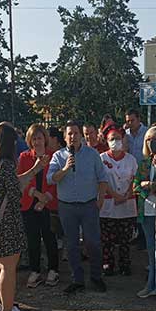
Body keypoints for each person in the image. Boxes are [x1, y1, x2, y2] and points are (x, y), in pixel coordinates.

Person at [0, 122, 43, 311]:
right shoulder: (6, 165)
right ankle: (8, 309)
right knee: (8, 267)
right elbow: (15, 192)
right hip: (7, 222)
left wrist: (32, 170)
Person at [47, 121, 109, 294]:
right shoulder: (58, 156)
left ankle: (96, 277)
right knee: (72, 244)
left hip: (89, 205)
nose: (73, 137)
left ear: (81, 135)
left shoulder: (92, 154)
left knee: (93, 242)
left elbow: (102, 178)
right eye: (69, 134)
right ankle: (77, 279)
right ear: (65, 137)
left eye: (75, 133)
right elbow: (51, 179)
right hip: (67, 207)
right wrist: (66, 168)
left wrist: (100, 199)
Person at [18, 123, 59, 288]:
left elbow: (56, 180)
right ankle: (35, 270)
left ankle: (53, 269)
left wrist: (44, 199)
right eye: (34, 138)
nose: (37, 141)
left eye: (40, 138)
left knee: (50, 237)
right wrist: (36, 195)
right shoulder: (24, 157)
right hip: (29, 204)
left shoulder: (53, 156)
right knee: (32, 238)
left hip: (48, 204)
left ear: (45, 139)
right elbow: (21, 179)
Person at [133, 126, 156, 303]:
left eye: (155, 139)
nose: (152, 142)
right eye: (148, 139)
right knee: (151, 250)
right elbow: (135, 186)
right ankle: (151, 284)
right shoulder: (143, 163)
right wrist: (145, 187)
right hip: (147, 211)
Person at [99, 126, 138, 276]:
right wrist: (115, 195)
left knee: (124, 239)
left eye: (118, 138)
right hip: (109, 203)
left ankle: (125, 264)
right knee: (107, 239)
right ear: (107, 141)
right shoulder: (102, 158)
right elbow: (101, 180)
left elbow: (135, 178)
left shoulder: (131, 159)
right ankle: (108, 264)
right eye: (112, 139)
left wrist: (127, 195)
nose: (115, 142)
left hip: (127, 204)